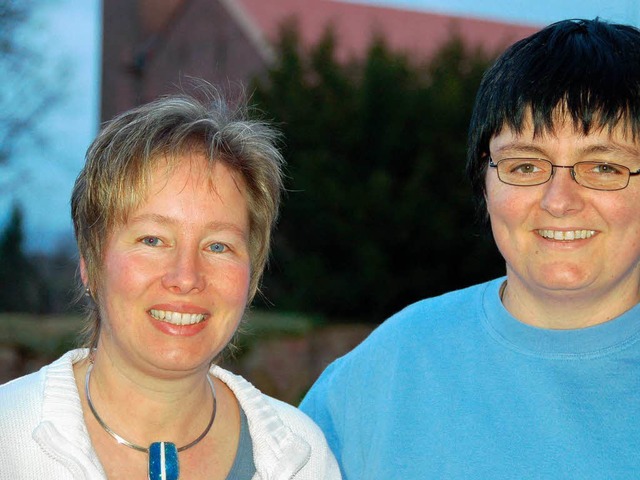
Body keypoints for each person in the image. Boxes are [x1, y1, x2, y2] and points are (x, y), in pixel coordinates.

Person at [300, 18, 640, 479]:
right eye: (524, 166)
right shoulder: (388, 369)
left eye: (603, 166)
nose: (559, 201)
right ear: (484, 182)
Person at [0, 88, 340, 479]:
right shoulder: (8, 441)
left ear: (252, 276)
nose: (186, 277)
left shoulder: (301, 458)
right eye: (153, 240)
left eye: (218, 245)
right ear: (91, 264)